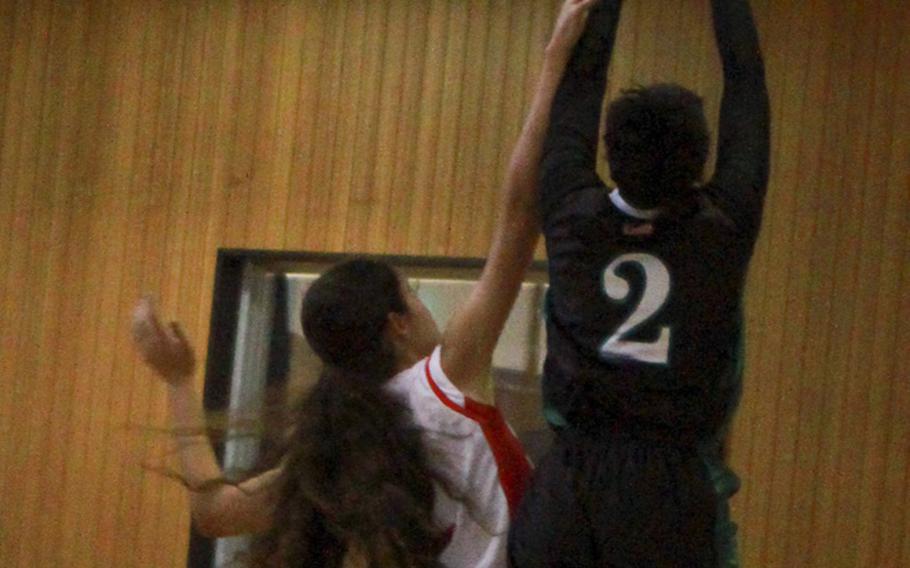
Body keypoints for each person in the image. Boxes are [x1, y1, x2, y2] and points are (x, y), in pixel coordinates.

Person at [130, 2, 600, 566]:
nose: (425, 310)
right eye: (414, 297)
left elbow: (215, 512)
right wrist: (554, 65)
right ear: (397, 324)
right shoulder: (447, 377)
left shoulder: (337, 448)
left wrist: (178, 380)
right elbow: (520, 214)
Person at [508, 0, 770, 566]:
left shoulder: (572, 212)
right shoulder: (723, 228)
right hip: (669, 491)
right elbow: (746, 82)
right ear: (701, 160)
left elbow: (582, 85)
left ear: (608, 150)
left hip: (570, 484)